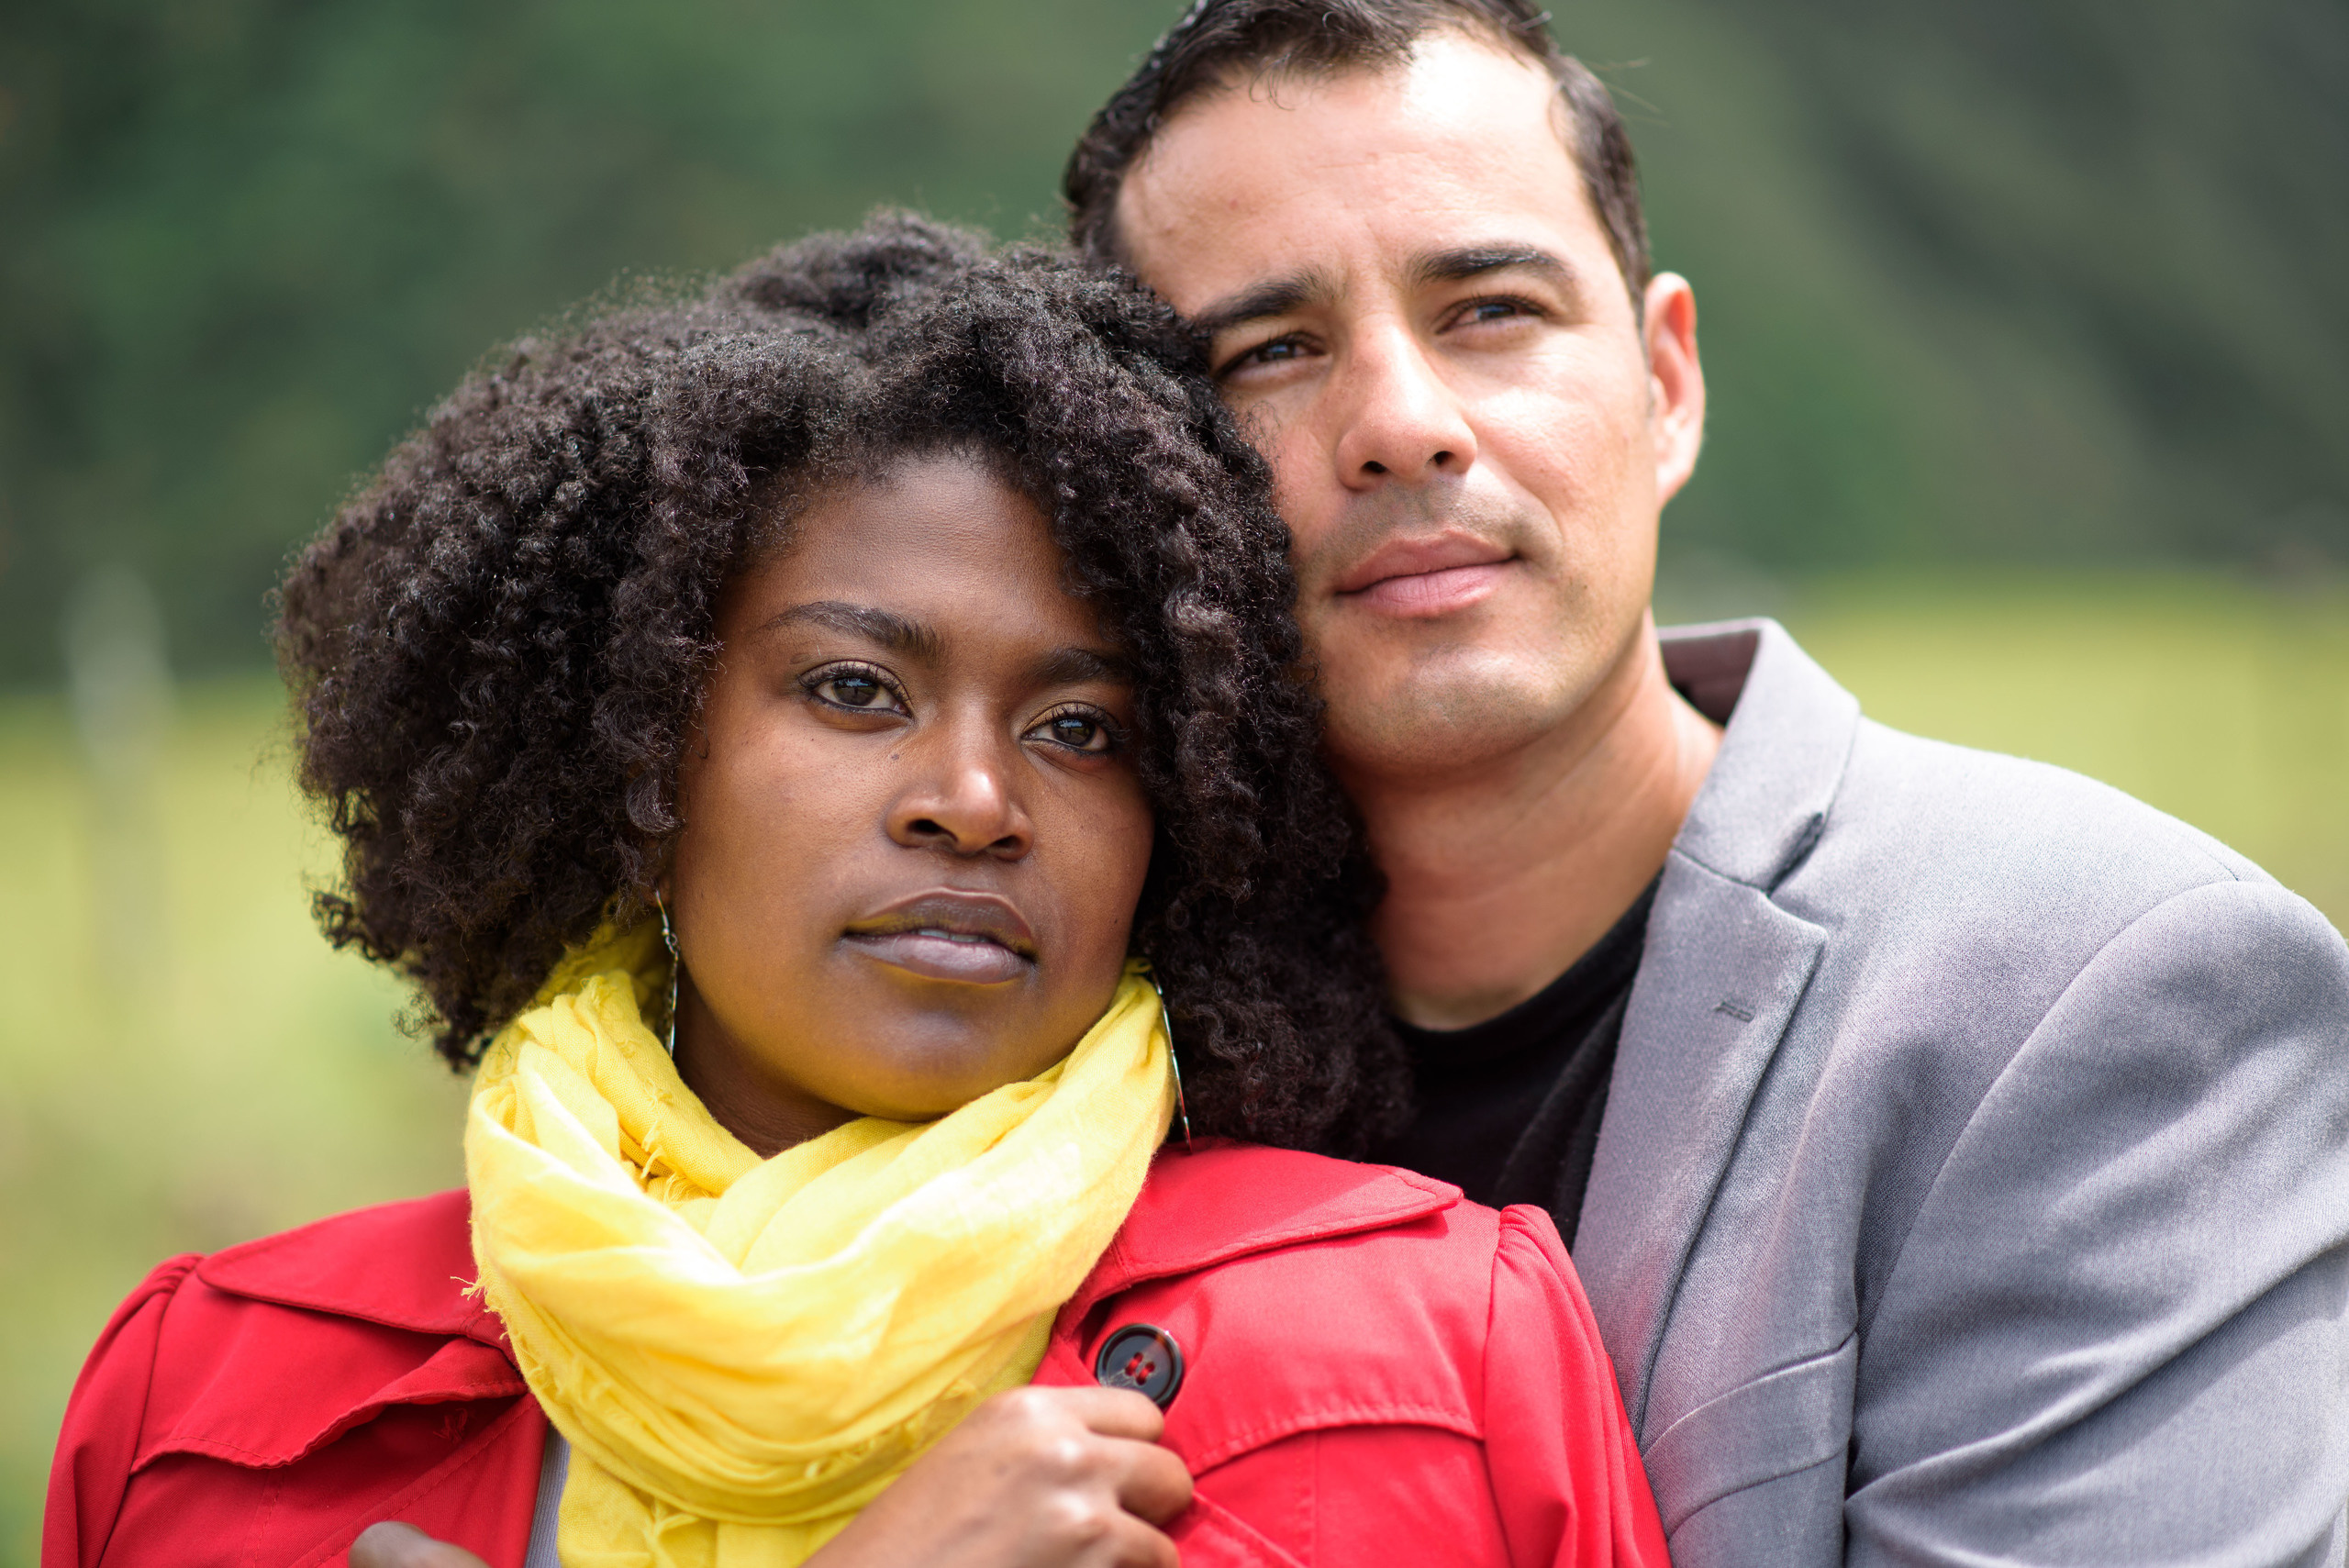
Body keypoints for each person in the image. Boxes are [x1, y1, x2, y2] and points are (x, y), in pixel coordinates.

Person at [43, 225, 1669, 1568]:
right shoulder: (204, 1403)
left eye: (1078, 730)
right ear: (641, 746)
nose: (972, 801)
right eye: (852, 690)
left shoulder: (1435, 1350)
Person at [1053, 1, 2349, 1564]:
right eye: (1268, 351)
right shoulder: (1062, 1030)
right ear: (1144, 479)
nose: (1402, 425)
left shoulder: (2109, 992)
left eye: (1490, 310)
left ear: (1666, 381)